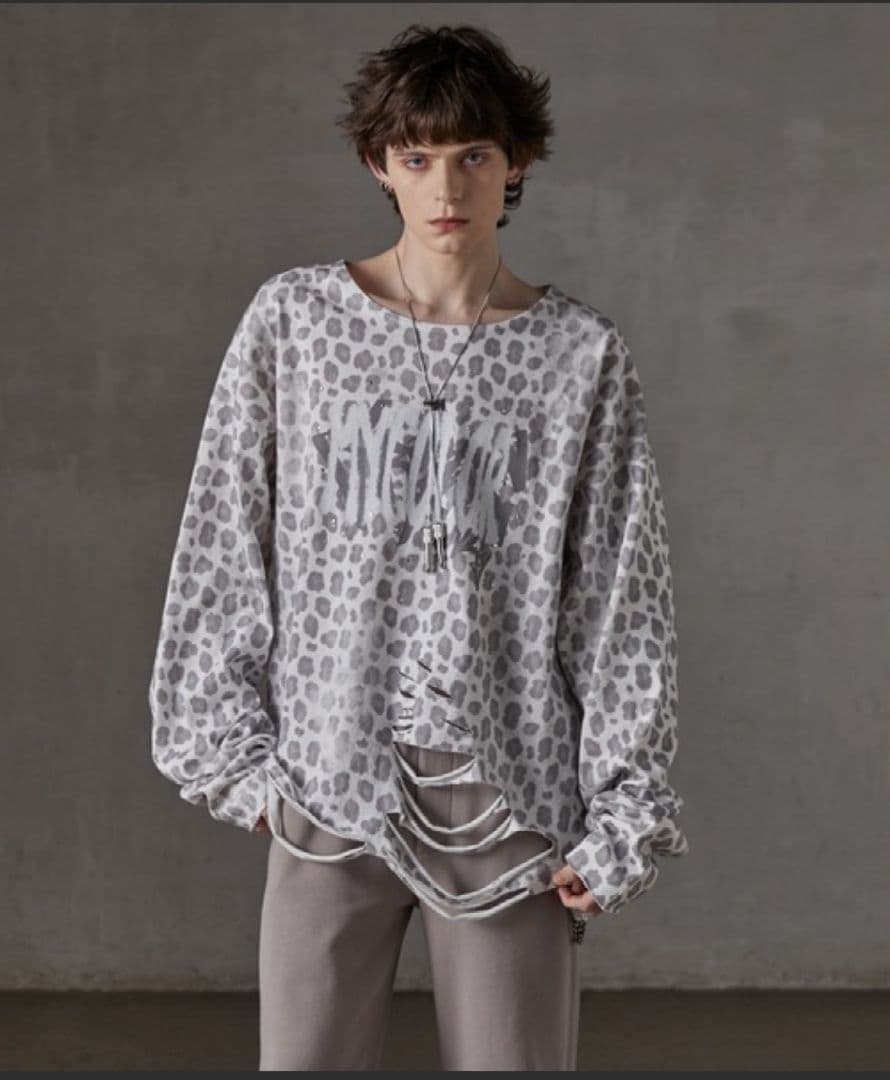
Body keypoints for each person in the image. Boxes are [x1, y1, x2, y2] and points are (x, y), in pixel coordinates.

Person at [147, 22, 689, 1071]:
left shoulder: (578, 355)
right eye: (417, 157)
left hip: (509, 792)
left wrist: (623, 811)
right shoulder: (295, 323)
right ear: (378, 164)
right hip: (328, 776)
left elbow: (620, 602)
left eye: (474, 155)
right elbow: (222, 538)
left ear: (516, 162)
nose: (446, 188)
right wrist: (240, 766)